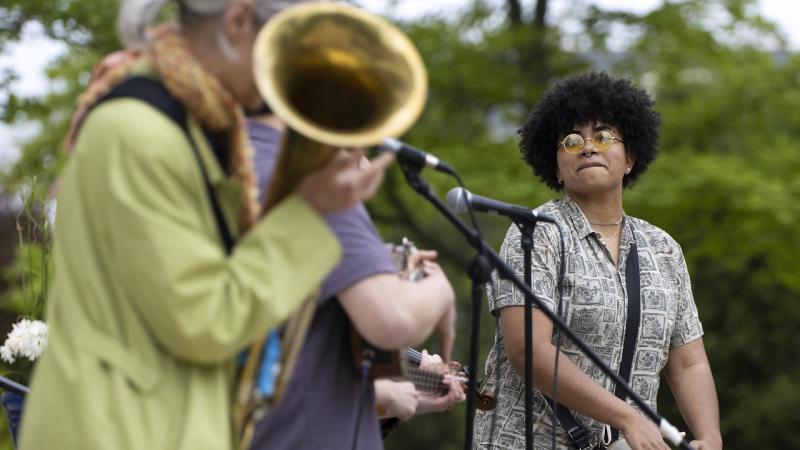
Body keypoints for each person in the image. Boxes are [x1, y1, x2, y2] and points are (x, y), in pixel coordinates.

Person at [17, 1, 395, 449]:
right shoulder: (141, 132)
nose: (296, 80)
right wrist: (311, 212)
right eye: (291, 51)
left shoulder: (189, 126)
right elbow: (206, 321)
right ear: (237, 20)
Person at [473, 72, 722, 450]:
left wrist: (710, 438)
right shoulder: (536, 234)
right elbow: (527, 350)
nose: (587, 147)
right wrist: (625, 417)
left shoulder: (664, 248)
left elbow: (689, 362)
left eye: (603, 136)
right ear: (556, 167)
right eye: (571, 141)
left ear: (630, 159)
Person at [246, 115, 460, 450]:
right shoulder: (317, 183)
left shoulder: (232, 159)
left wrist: (404, 397)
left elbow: (302, 358)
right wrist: (440, 291)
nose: (366, 161)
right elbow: (393, 321)